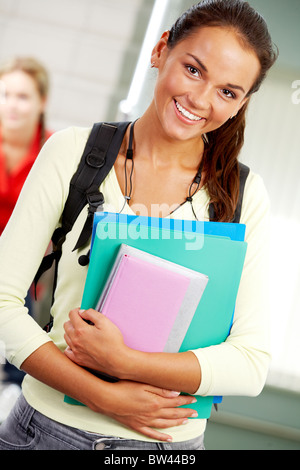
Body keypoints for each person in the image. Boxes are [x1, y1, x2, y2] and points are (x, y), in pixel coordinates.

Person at [0, 0, 278, 451]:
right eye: (193, 70)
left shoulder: (245, 195)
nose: (200, 100)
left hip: (169, 447)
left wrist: (125, 362)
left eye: (228, 92)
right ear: (160, 50)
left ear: (242, 102)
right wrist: (102, 394)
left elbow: (250, 364)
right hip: (44, 433)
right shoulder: (73, 152)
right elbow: (3, 302)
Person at [0, 57, 52, 406]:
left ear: (41, 102)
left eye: (22, 96)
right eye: (5, 94)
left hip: (21, 277)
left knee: (19, 367)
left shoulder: (53, 151)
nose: (12, 104)